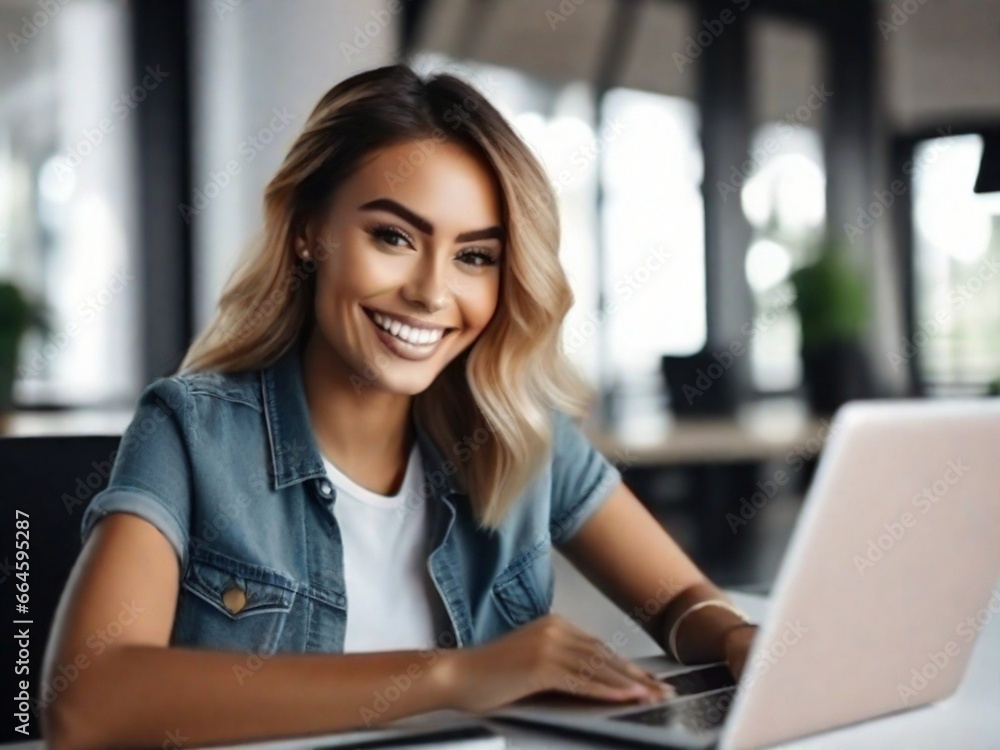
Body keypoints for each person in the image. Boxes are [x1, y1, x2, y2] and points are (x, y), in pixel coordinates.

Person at [41, 62, 757, 749]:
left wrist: (729, 634)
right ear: (307, 233)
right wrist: (452, 677)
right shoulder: (190, 431)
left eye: (475, 256)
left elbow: (676, 600)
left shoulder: (519, 431)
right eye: (394, 237)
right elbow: (90, 701)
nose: (431, 292)